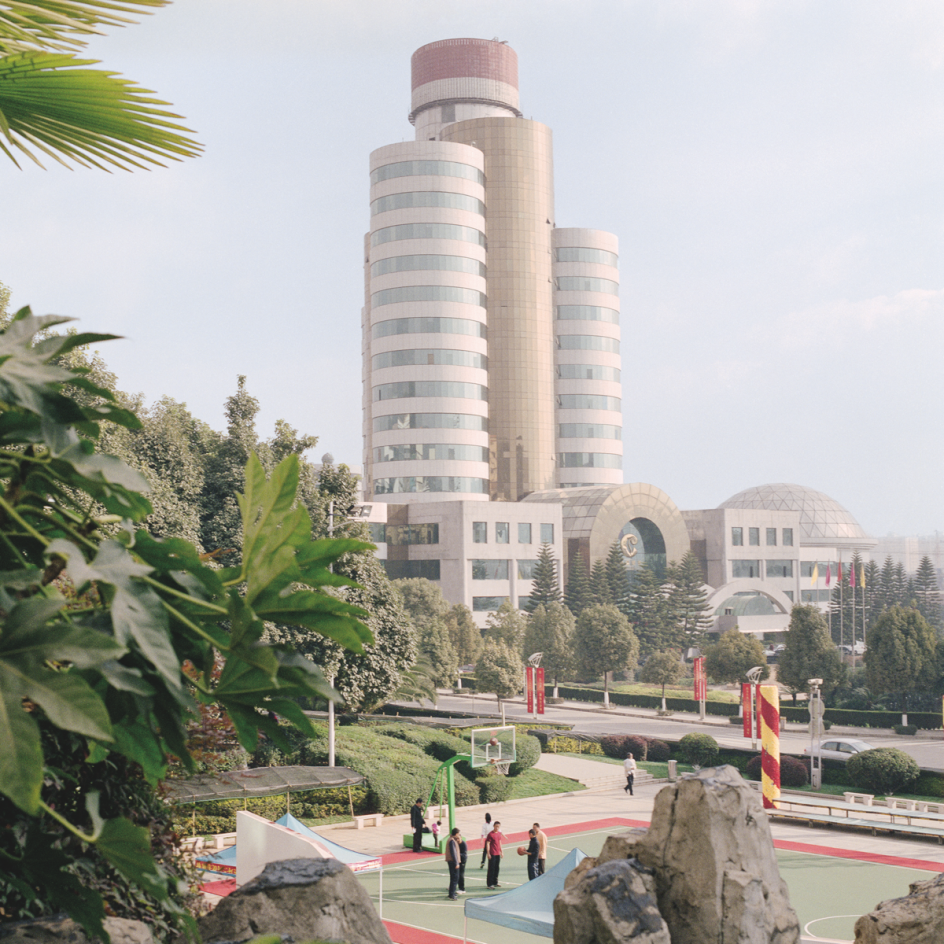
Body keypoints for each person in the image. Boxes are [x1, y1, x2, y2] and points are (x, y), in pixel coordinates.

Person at [485, 820, 505, 888]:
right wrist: (488, 853)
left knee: (497, 868)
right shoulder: (490, 834)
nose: (497, 828)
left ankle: (495, 882)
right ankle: (489, 884)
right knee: (491, 868)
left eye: (498, 827)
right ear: (493, 826)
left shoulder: (499, 833)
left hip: (497, 853)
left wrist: (501, 851)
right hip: (492, 853)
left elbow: (499, 842)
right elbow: (488, 844)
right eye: (496, 826)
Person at [445, 827, 461, 900]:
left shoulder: (451, 839)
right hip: (453, 861)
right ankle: (451, 894)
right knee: (455, 878)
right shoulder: (452, 841)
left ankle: (452, 893)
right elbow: (453, 853)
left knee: (453, 878)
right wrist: (456, 863)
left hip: (451, 861)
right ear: (456, 834)